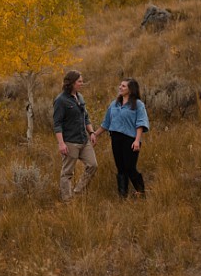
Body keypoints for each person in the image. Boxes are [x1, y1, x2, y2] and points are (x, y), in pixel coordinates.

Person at [94, 78, 150, 198]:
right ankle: (122, 196)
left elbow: (140, 123)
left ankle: (141, 192)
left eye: (123, 86)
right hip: (116, 139)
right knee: (120, 168)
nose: (120, 87)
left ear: (130, 90)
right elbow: (106, 123)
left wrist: (137, 140)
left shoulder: (138, 105)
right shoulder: (114, 104)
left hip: (131, 139)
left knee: (130, 167)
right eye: (120, 85)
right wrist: (94, 134)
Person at [52, 69, 97, 202]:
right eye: (79, 81)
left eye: (82, 81)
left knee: (93, 165)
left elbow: (86, 117)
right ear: (71, 83)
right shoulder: (60, 100)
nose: (82, 83)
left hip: (84, 139)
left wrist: (92, 132)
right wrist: (61, 143)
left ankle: (77, 191)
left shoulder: (80, 97)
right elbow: (57, 124)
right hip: (70, 142)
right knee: (67, 173)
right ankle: (67, 200)